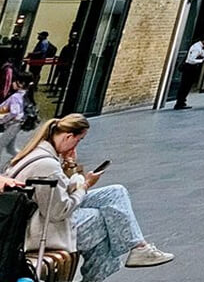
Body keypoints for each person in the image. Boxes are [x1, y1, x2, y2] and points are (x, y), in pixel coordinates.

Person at [8, 115, 174, 280]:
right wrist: (85, 186)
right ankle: (104, 272)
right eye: (79, 140)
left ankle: (139, 246)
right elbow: (58, 211)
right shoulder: (47, 165)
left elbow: (62, 190)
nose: (78, 144)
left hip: (38, 218)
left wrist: (72, 165)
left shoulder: (37, 154)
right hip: (38, 230)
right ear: (68, 137)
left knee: (115, 192)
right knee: (102, 222)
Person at [0, 72, 31, 164]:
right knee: (10, 149)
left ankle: (26, 161)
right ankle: (26, 160)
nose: (12, 83)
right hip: (18, 124)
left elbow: (14, 112)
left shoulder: (15, 97)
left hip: (13, 124)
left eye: (14, 81)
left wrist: (2, 120)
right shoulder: (26, 94)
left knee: (1, 145)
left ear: (21, 84)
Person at [172, 33, 204, 110]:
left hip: (190, 68)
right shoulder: (197, 47)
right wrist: (202, 60)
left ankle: (182, 102)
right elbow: (191, 60)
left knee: (186, 86)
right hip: (189, 68)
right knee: (185, 86)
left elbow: (202, 53)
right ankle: (180, 103)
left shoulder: (199, 46)